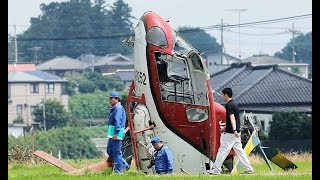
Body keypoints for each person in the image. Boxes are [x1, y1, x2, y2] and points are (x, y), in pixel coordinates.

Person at [208, 87, 254, 175]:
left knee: (222, 151)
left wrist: (233, 130)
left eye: (223, 95)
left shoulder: (229, 105)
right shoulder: (235, 104)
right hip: (236, 133)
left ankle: (216, 169)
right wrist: (229, 128)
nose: (222, 97)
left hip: (230, 133)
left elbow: (232, 118)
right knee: (240, 151)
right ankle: (249, 168)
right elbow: (234, 119)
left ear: (226, 95)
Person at [106, 91, 129, 173]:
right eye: (110, 98)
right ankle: (125, 164)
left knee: (116, 153)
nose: (110, 100)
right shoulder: (114, 108)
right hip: (112, 133)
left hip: (116, 133)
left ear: (116, 99)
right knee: (109, 151)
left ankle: (119, 171)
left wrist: (116, 133)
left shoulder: (118, 108)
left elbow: (117, 121)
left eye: (111, 98)